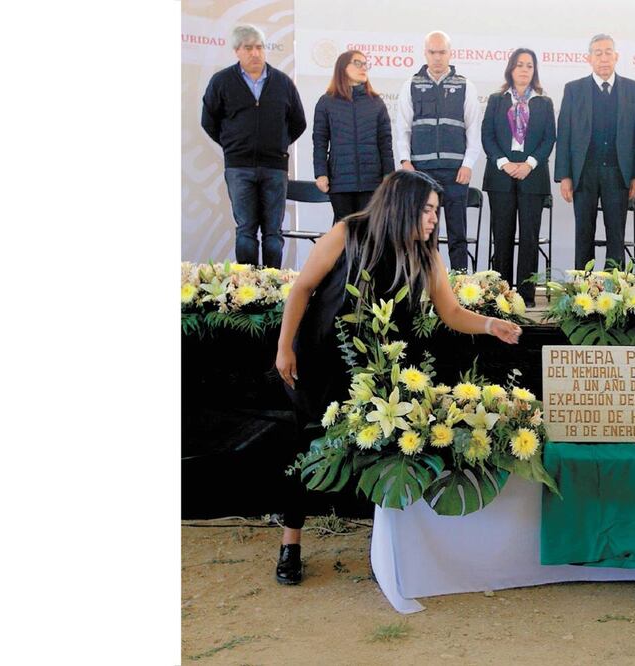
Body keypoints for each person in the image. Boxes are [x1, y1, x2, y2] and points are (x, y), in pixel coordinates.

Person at [272, 171, 522, 585]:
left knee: (382, 457)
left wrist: (491, 325)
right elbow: (302, 289)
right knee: (306, 450)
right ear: (403, 204)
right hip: (321, 361)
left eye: (436, 213)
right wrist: (284, 347)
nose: (432, 221)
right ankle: (290, 544)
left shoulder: (425, 255)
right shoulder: (347, 233)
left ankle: (383, 553)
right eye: (427, 210)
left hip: (379, 371)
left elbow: (452, 313)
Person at [201, 24, 306, 268]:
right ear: (237, 51)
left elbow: (298, 122)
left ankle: (273, 289)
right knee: (246, 231)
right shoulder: (221, 81)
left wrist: (277, 145)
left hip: (275, 168)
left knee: (273, 233)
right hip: (239, 168)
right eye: (248, 48)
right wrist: (233, 146)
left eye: (259, 47)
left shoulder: (283, 82)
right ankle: (248, 291)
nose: (255, 53)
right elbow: (209, 121)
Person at [554, 34, 635, 270]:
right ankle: (582, 293)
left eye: (608, 52)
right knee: (583, 233)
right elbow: (564, 134)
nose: (603, 58)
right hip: (583, 173)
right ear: (589, 58)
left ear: (616, 57)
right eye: (598, 53)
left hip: (619, 173)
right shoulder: (574, 90)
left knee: (616, 235)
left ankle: (614, 292)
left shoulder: (632, 89)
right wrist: (565, 176)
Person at [394, 30, 484, 271]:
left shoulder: (466, 86)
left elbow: (474, 130)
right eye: (432, 52)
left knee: (458, 234)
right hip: (421, 172)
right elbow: (402, 127)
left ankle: (460, 288)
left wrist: (468, 164)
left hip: (456, 172)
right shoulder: (410, 85)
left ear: (450, 53)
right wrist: (405, 161)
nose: (437, 57)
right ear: (425, 53)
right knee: (422, 234)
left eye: (442, 52)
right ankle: (422, 283)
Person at [481, 49, 555, 307]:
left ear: (534, 71)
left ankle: (526, 295)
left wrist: (529, 164)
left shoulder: (544, 103)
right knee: (501, 236)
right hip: (500, 176)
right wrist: (504, 163)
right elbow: (487, 136)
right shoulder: (496, 100)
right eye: (520, 65)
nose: (524, 70)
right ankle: (501, 294)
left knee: (529, 238)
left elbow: (549, 139)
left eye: (530, 66)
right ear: (511, 69)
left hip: (532, 176)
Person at [312, 50, 395, 223]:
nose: (363, 67)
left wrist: (389, 175)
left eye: (365, 64)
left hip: (372, 182)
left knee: (368, 234)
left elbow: (385, 144)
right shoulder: (326, 102)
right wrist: (321, 173)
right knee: (343, 235)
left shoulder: (376, 103)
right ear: (343, 68)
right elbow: (320, 141)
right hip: (340, 182)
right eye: (357, 63)